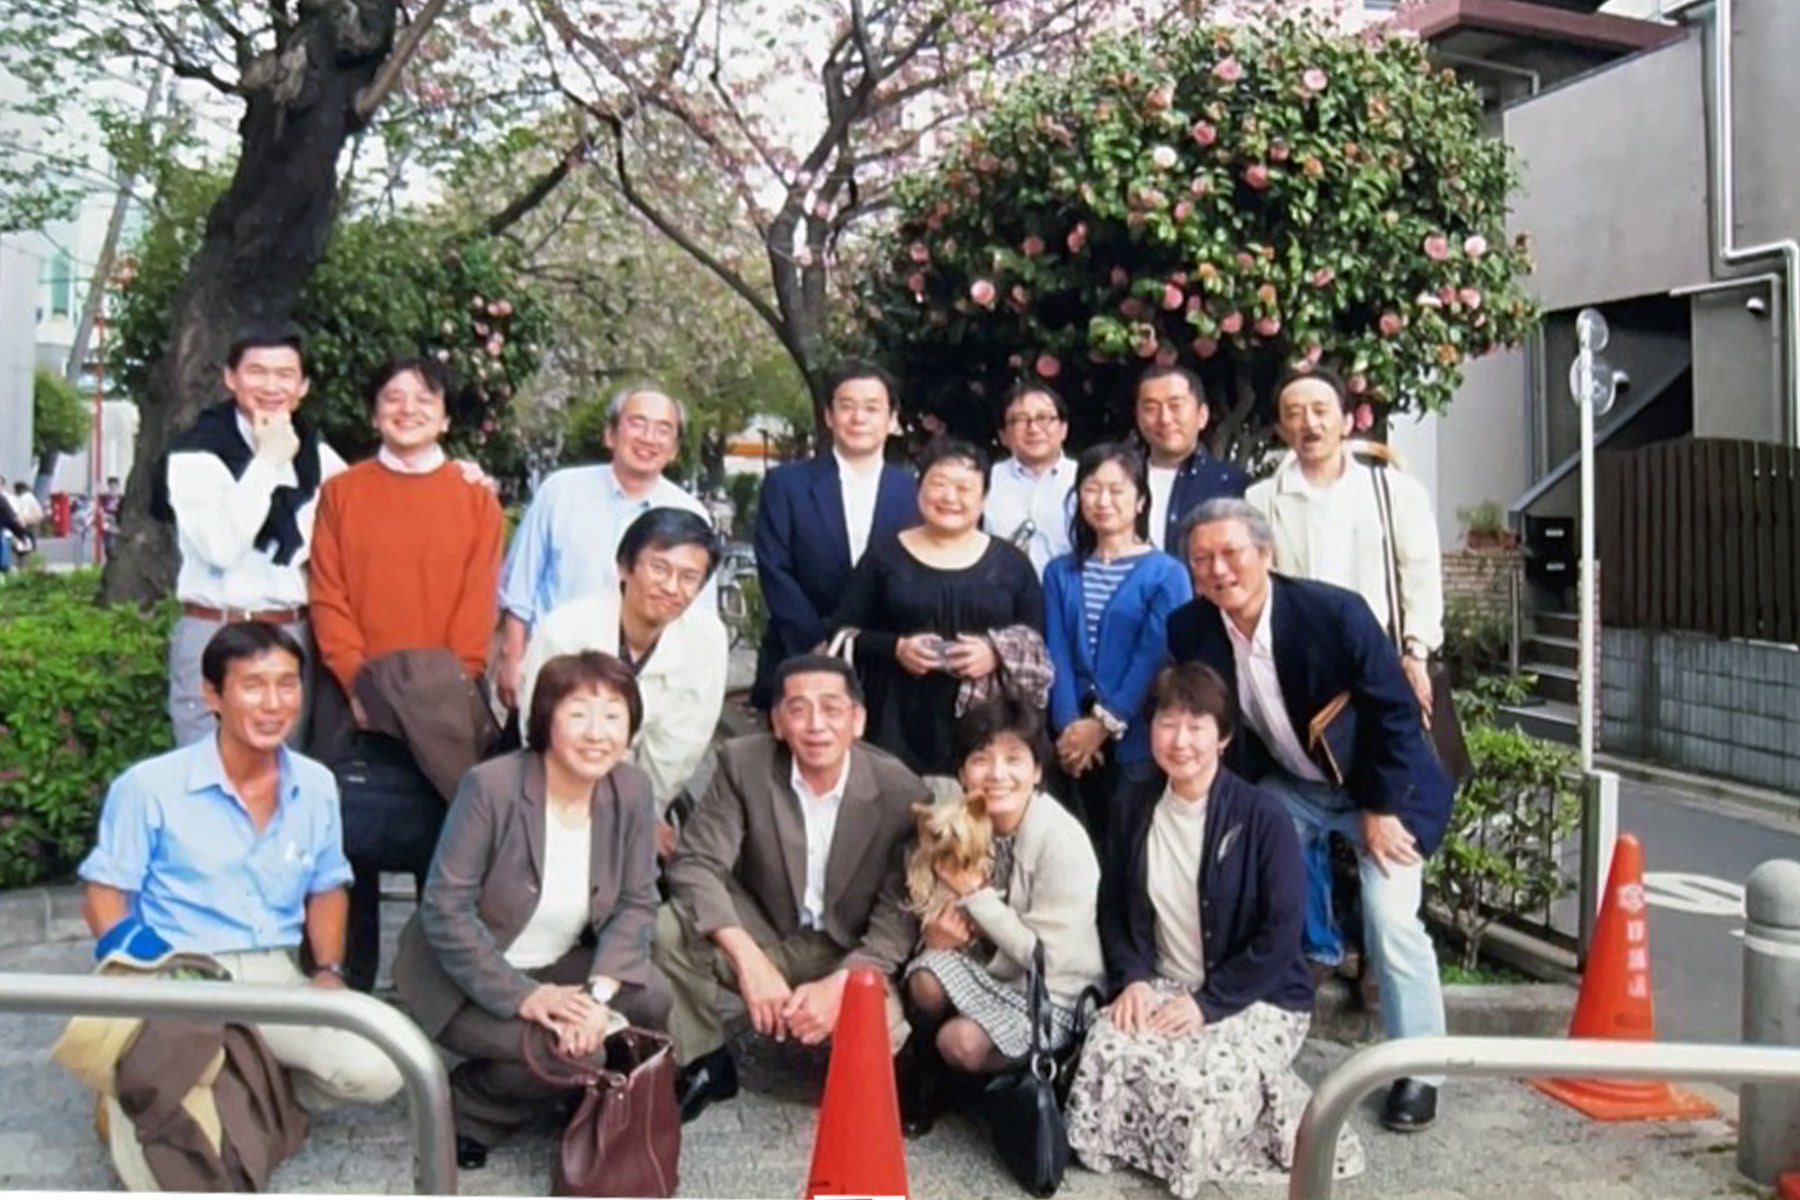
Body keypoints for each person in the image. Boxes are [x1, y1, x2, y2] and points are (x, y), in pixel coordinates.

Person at [1166, 499, 1452, 1132]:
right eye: (1202, 559)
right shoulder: (1190, 628)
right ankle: (1278, 1003)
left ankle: (1420, 1067)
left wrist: (1380, 808)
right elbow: (1217, 726)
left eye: (1231, 553)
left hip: (1383, 787)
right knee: (1251, 870)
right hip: (1293, 785)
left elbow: (1396, 715)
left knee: (1389, 918)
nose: (1218, 570)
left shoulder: (1334, 613)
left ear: (1266, 554)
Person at [76, 621, 403, 1111]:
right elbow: (103, 895)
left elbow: (327, 886)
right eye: (253, 686)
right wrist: (144, 973)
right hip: (180, 972)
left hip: (274, 973)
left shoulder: (316, 784)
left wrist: (328, 971)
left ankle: (260, 1095)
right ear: (213, 695)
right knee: (174, 1120)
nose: (273, 704)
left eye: (287, 684)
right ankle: (204, 1091)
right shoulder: (149, 786)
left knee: (382, 1065)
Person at [1064, 663, 1363, 1191]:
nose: (1180, 741)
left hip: (1257, 995)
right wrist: (1134, 979)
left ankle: (1262, 1113)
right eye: (1167, 724)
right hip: (1165, 982)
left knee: (1200, 1085)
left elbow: (1281, 932)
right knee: (1107, 1047)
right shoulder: (1132, 803)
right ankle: (1149, 1140)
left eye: (1197, 726)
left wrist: (1208, 1004)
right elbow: (1112, 907)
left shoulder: (1263, 816)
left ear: (1223, 737)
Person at [393, 651, 669, 1169]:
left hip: (558, 961)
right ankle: (470, 1106)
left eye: (613, 716)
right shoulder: (491, 787)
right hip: (464, 978)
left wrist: (596, 998)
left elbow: (637, 901)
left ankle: (564, 1087)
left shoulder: (631, 789)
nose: (597, 733)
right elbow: (445, 908)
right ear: (545, 719)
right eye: (578, 714)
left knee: (650, 997)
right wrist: (527, 996)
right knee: (572, 1051)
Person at [655, 654, 928, 1123]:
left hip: (848, 945)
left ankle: (874, 1069)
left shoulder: (903, 793)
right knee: (668, 928)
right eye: (798, 709)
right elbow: (696, 863)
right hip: (765, 927)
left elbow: (896, 918)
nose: (816, 724)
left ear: (858, 720)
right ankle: (705, 1059)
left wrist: (842, 983)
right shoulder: (744, 764)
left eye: (832, 708)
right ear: (778, 723)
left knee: (878, 1040)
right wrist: (750, 962)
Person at [1246, 368, 1445, 976]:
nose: (1308, 423)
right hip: (1302, 673)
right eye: (1294, 412)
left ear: (1345, 418)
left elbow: (1420, 572)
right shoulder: (1262, 499)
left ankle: (1379, 955)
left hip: (1377, 668)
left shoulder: (1391, 490)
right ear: (1280, 426)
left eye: (1320, 410)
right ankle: (1320, 945)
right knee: (1298, 795)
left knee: (1384, 797)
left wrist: (1417, 651)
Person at [899, 699, 1103, 1137]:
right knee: (925, 978)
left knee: (960, 1042)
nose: (996, 774)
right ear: (962, 773)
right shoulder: (965, 823)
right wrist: (935, 938)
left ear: (1037, 771)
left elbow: (1047, 959)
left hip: (1052, 994)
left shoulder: (1061, 839)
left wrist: (975, 895)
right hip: (995, 975)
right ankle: (928, 1072)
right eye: (980, 759)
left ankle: (1004, 1084)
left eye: (1014, 759)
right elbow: (932, 906)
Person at [154, 327, 347, 746]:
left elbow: (366, 518)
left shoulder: (318, 457)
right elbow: (221, 548)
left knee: (283, 768)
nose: (271, 386)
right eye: (257, 372)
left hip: (290, 632)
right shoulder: (194, 453)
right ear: (231, 378)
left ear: (303, 387)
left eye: (285, 374)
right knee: (207, 765)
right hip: (216, 628)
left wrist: (462, 476)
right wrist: (268, 461)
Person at [826, 438, 1045, 781]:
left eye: (964, 488)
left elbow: (1037, 638)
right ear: (919, 488)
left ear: (984, 498)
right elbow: (840, 632)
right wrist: (895, 648)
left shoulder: (1011, 564)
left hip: (987, 726)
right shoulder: (885, 556)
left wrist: (994, 653)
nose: (950, 497)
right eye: (939, 484)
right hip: (895, 721)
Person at [518, 507, 730, 856]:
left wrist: (639, 814)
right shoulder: (566, 629)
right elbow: (540, 733)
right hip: (554, 783)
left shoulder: (707, 639)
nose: (671, 587)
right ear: (624, 566)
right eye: (659, 568)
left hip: (641, 800)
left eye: (689, 577)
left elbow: (679, 747)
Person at [495, 384, 710, 712]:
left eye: (663, 429)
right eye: (637, 423)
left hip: (643, 686)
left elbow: (698, 614)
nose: (649, 438)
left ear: (674, 449)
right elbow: (519, 586)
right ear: (610, 434)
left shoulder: (691, 515)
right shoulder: (560, 491)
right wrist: (512, 656)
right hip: (553, 668)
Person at [308, 356, 504, 703]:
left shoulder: (476, 499)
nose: (408, 409)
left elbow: (478, 604)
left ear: (445, 419)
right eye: (393, 398)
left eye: (425, 399)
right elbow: (328, 595)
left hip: (448, 696)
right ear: (374, 415)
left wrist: (449, 685)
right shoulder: (340, 492)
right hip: (352, 694)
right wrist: (358, 684)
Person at [1042, 441, 1190, 856]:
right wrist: (1069, 728)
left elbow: (1154, 655)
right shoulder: (1059, 572)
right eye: (1091, 489)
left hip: (1137, 737)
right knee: (1076, 851)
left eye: (1116, 490)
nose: (1103, 501)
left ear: (1140, 500)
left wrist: (1104, 724)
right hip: (1071, 742)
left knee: (1132, 853)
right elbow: (1055, 650)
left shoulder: (1167, 573)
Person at [752, 359, 916, 709]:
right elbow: (774, 568)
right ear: (828, 416)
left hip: (889, 668)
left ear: (892, 419)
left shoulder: (915, 491)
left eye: (872, 408)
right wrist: (815, 641)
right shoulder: (786, 485)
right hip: (800, 655)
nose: (859, 418)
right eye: (847, 406)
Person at [1133, 365, 1249, 553]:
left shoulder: (1232, 485)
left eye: (1175, 406)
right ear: (1138, 417)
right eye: (1151, 408)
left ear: (1202, 415)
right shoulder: (1122, 480)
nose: (1164, 419)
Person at [982, 379, 1076, 577]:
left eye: (1043, 418)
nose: (1033, 428)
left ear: (1063, 429)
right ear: (1003, 435)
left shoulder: (1085, 480)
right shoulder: (985, 481)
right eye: (1019, 420)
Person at [98, 476, 123, 560]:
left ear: (118, 487)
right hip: (108, 525)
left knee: (117, 544)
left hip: (118, 524)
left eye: (115, 486)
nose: (113, 489)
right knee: (109, 543)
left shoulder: (122, 499)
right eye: (111, 486)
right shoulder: (103, 498)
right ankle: (110, 555)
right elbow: (100, 511)